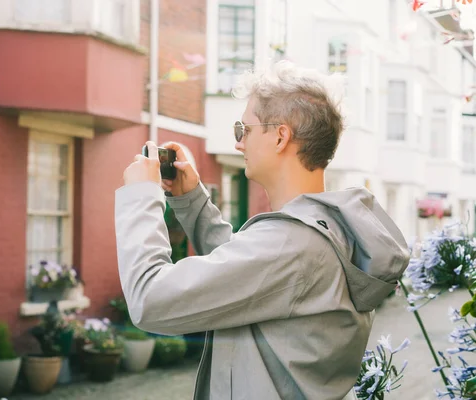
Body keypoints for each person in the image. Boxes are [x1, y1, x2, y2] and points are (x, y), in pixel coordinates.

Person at [114, 61, 410, 400]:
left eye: (244, 130)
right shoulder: (324, 232)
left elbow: (149, 299)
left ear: (281, 137)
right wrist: (192, 200)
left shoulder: (292, 244)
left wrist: (141, 195)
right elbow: (251, 275)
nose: (239, 143)